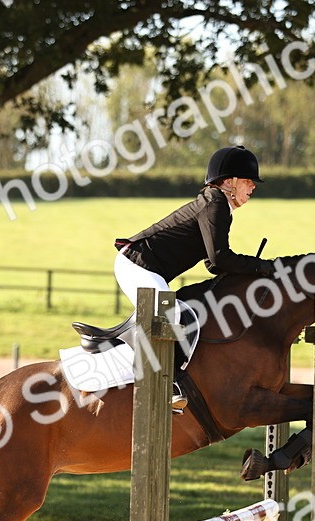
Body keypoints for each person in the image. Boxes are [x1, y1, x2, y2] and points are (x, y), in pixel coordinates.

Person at [114, 144, 273, 410]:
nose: (253, 186)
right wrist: (260, 266)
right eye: (248, 181)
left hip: (144, 266)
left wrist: (247, 273)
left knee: (181, 311)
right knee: (172, 314)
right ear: (230, 182)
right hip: (136, 263)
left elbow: (212, 263)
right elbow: (220, 258)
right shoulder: (215, 204)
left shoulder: (218, 205)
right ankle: (165, 384)